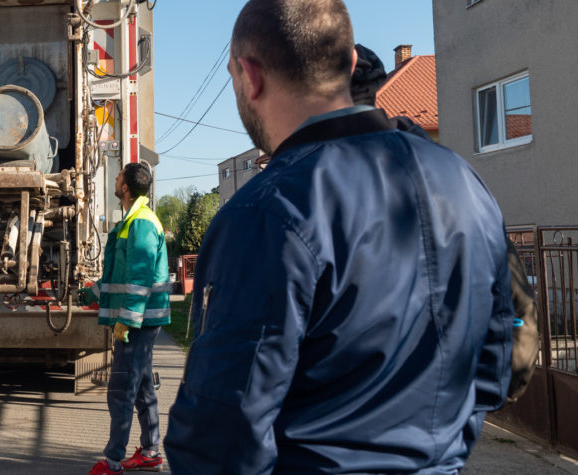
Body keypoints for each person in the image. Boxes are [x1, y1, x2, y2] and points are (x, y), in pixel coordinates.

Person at [164, 1, 513, 473]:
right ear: (351, 63)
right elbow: (496, 358)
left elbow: (221, 434)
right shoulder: (461, 180)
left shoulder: (266, 212)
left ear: (249, 75)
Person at [350, 43, 540, 404]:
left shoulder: (330, 187)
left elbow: (514, 307)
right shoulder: (457, 177)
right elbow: (516, 304)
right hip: (438, 418)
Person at [80, 162, 172, 475]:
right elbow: (119, 275)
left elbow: (140, 278)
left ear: (127, 188)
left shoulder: (142, 223)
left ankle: (113, 462)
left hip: (139, 323)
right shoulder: (132, 221)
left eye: (119, 176)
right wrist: (90, 294)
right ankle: (150, 451)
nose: (115, 179)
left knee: (121, 390)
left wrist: (127, 321)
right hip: (139, 321)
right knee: (143, 389)